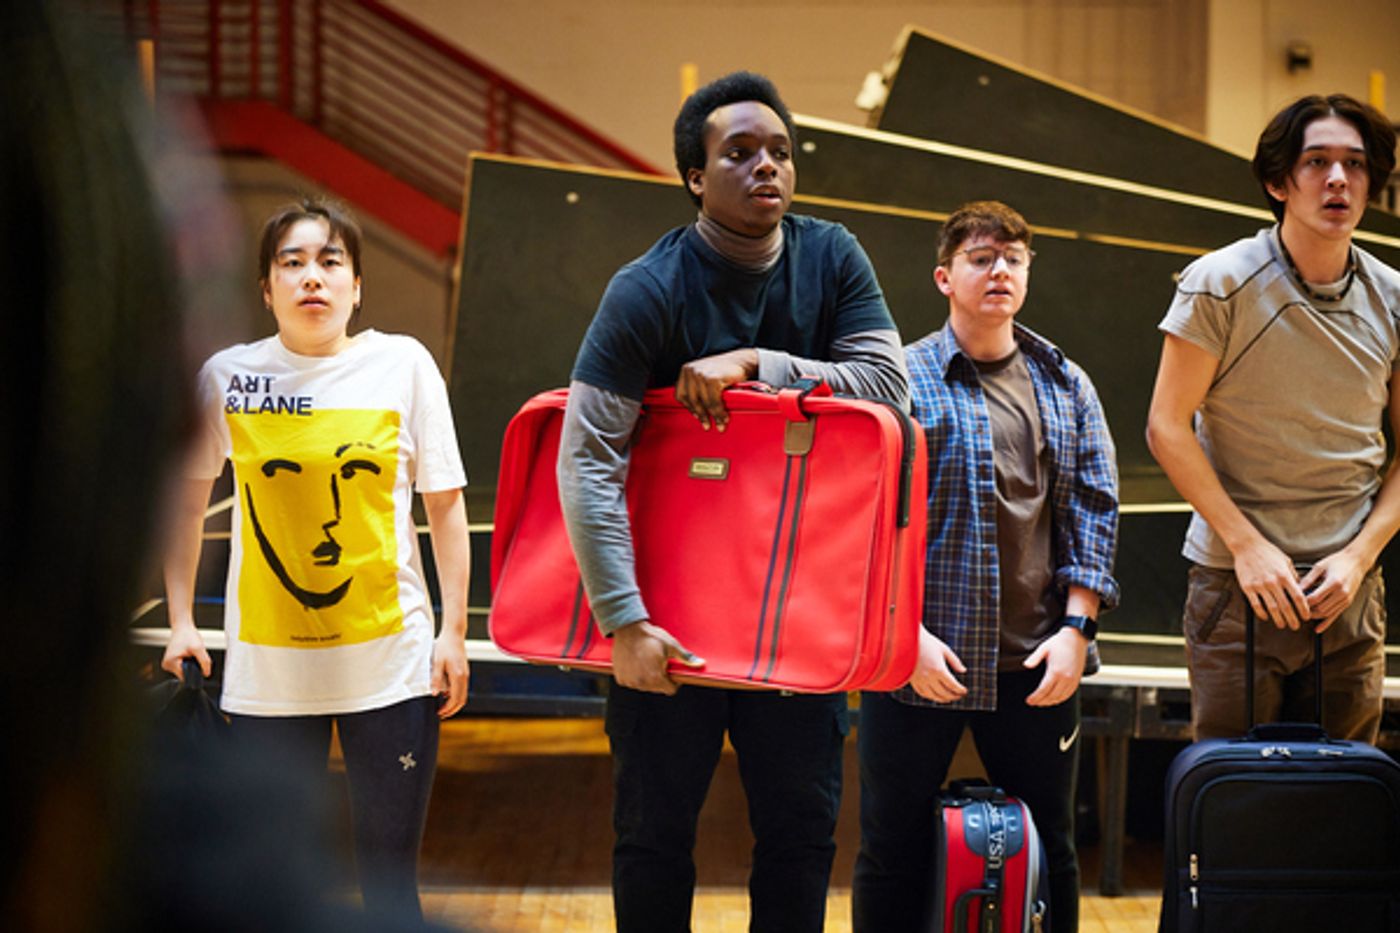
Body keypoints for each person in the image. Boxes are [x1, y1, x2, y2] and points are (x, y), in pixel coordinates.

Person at [557, 70, 909, 932]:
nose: (767, 168)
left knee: (799, 838)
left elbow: (890, 390)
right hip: (668, 618)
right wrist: (624, 620)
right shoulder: (646, 288)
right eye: (739, 153)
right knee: (651, 837)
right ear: (694, 177)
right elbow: (586, 458)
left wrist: (758, 364)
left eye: (781, 152)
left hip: (797, 614)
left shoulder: (833, 257)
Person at [160, 197, 471, 920]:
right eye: (291, 263)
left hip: (391, 667)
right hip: (269, 671)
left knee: (390, 884)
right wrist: (181, 620)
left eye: (331, 262)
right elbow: (182, 503)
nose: (312, 278)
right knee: (266, 889)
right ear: (266, 288)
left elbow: (445, 505)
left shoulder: (404, 365)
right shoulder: (227, 377)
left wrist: (452, 631)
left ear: (358, 285)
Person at [852, 201, 1120, 933]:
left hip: (1033, 666)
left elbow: (1093, 516)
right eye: (980, 257)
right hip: (914, 662)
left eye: (1012, 259)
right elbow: (861, 527)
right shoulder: (898, 381)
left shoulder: (1067, 384)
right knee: (890, 848)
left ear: (1029, 274)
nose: (998, 269)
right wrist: (900, 638)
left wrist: (1076, 632)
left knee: (1052, 847)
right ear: (944, 276)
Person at [1145, 94, 1400, 742]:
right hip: (1238, 587)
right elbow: (1166, 427)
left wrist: (1360, 555)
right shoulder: (1220, 282)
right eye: (1317, 161)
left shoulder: (1392, 297)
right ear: (1278, 181)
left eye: (1355, 164)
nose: (1339, 179)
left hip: (1347, 589)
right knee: (1236, 806)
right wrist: (1247, 544)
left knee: (1344, 812)